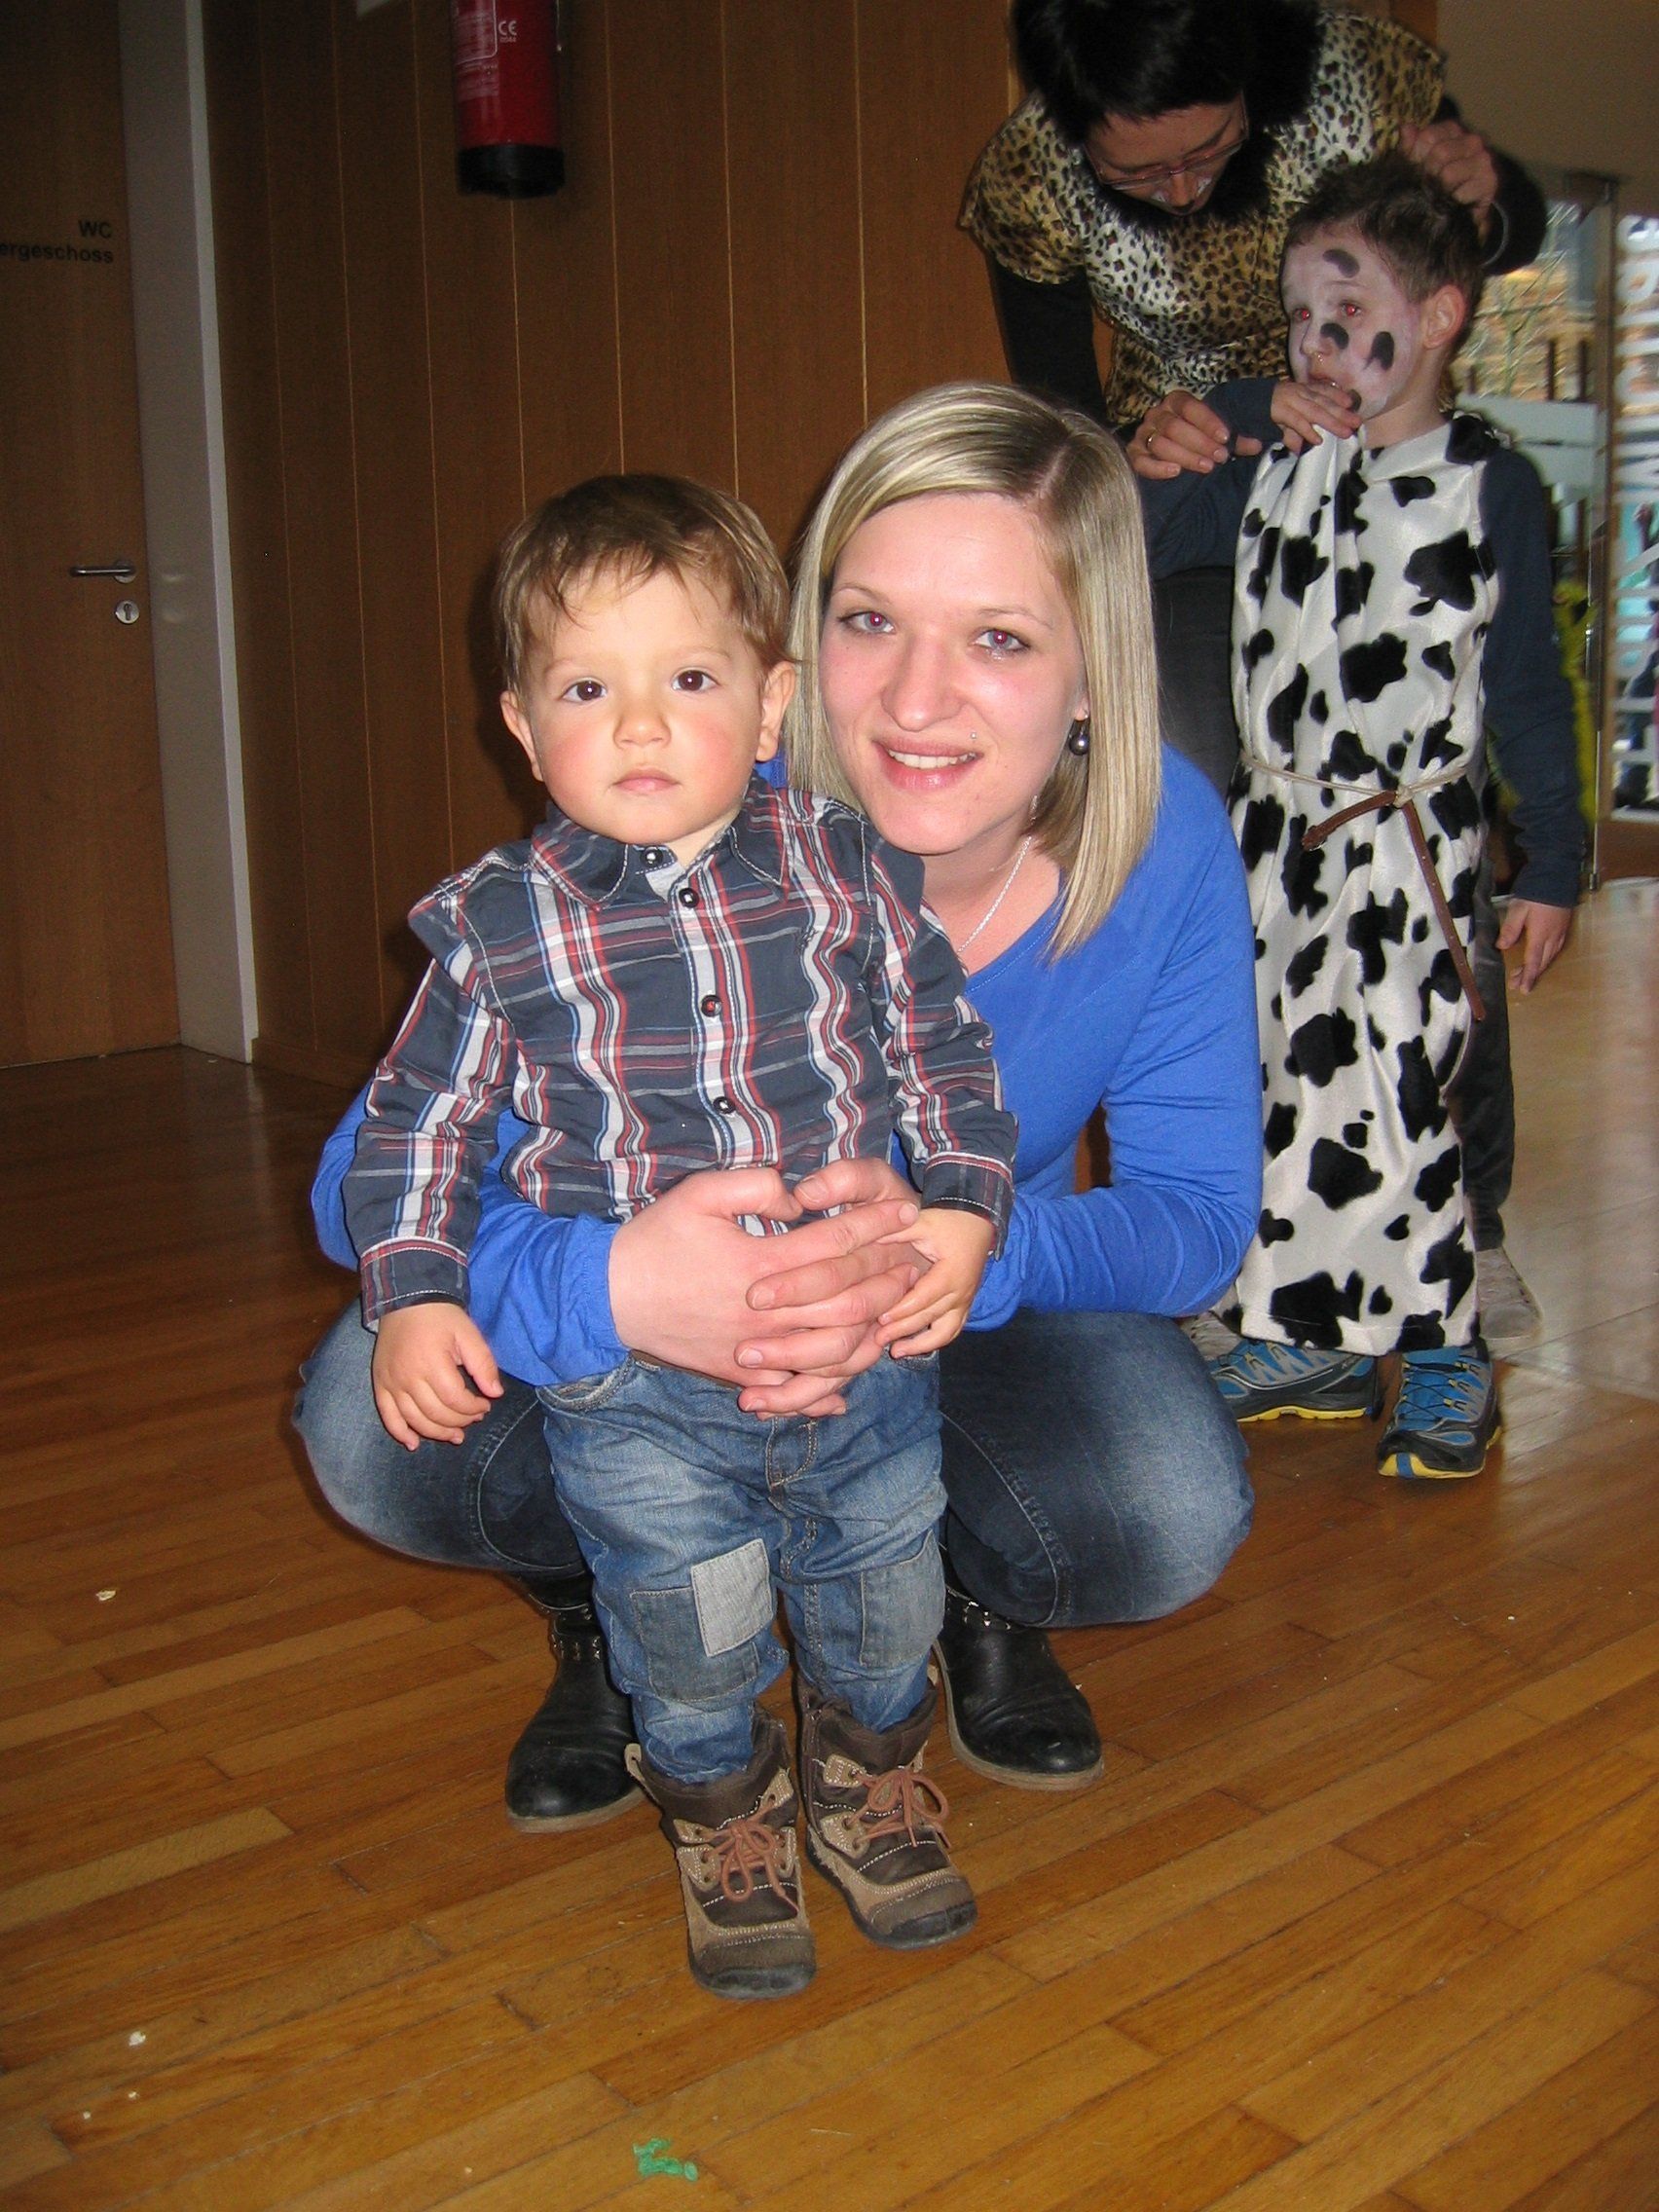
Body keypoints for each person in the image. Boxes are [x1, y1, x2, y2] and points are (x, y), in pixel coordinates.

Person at [295, 383, 1259, 1911]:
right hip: (653, 1349)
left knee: (1161, 1502)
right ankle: (624, 1620)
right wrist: (621, 1285)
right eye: (873, 623)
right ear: (798, 657)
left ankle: (957, 1607)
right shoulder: (672, 797)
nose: (917, 702)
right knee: (372, 1410)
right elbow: (362, 1181)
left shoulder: (1166, 839)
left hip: (950, 1300)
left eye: (1000, 640)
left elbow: (1198, 1217)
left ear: (1094, 675)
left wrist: (952, 1250)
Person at [344, 473, 1020, 1999]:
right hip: (638, 1393)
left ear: (773, 706)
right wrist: (414, 1296)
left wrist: (967, 1206)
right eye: (589, 688)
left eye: (691, 681)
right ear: (523, 727)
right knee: (687, 1619)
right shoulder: (497, 929)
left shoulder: (849, 868)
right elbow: (416, 1129)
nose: (641, 726)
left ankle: (870, 1782)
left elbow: (944, 1052)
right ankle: (725, 1816)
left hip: (862, 1352)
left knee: (885, 1591)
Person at [962, 0, 1551, 1346]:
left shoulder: (1358, 75)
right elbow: (1062, 424)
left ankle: (1468, 1218)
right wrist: (1147, 440)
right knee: (1188, 825)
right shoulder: (1030, 180)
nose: (1180, 192)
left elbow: (1482, 234)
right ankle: (1246, 1221)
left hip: (1374, 479)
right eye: (1139, 173)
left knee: (1415, 857)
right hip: (1202, 487)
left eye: (1207, 152)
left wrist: (1498, 191)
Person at [1138, 154, 1582, 1478]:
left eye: (1347, 314)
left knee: (1401, 1095)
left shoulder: (1487, 486)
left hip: (1406, 850)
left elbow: (1529, 692)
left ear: (1439, 317)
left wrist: (1554, 859)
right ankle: (1311, 1335)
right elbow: (1139, 538)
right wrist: (1219, 420)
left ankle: (1448, 1346)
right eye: (1297, 320)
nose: (1314, 345)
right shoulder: (1276, 465)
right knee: (1285, 1090)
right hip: (1275, 844)